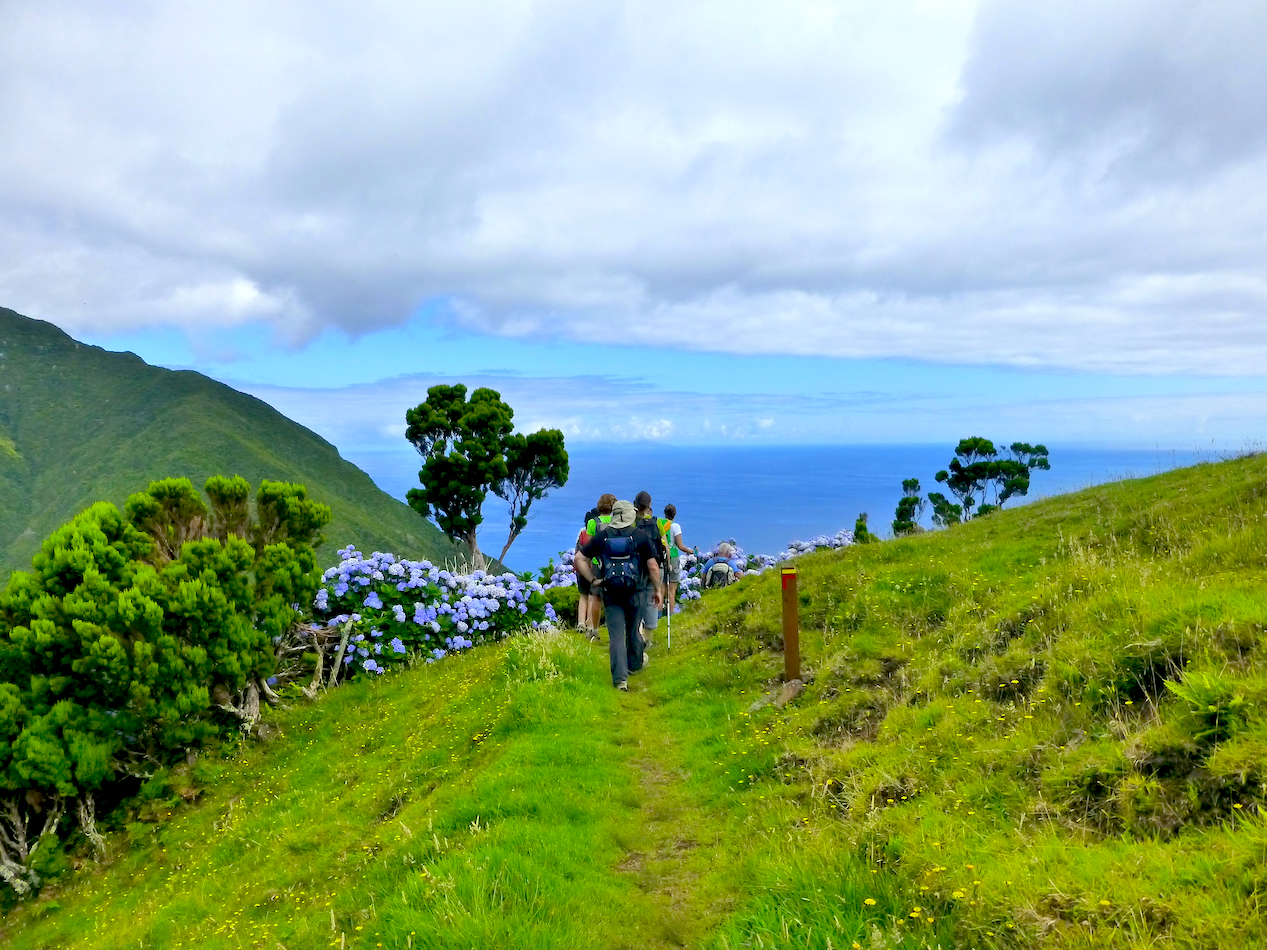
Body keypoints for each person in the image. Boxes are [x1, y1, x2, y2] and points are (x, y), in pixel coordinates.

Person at [577, 499, 663, 691]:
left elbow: (580, 558)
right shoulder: (639, 536)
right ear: (630, 516)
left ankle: (620, 680)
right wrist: (657, 589)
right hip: (636, 592)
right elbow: (652, 567)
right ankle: (634, 665)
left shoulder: (602, 536)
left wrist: (593, 580)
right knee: (633, 631)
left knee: (616, 635)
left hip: (611, 591)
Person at [631, 491, 668, 647]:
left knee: (636, 600)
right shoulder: (658, 523)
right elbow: (664, 545)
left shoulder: (632, 523)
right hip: (655, 566)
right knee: (652, 600)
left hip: (637, 568)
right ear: (650, 505)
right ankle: (648, 638)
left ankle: (637, 634)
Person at [579, 494, 616, 639]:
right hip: (614, 563)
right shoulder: (616, 521)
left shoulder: (593, 523)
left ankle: (594, 629)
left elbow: (588, 547)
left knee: (596, 598)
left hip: (597, 564)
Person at [658, 503, 695, 616]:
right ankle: (670, 614)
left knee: (661, 589)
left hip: (660, 557)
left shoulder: (659, 524)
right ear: (675, 514)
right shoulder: (675, 526)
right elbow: (680, 546)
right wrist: (692, 551)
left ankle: (658, 615)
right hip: (673, 558)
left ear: (664, 513)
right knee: (671, 591)